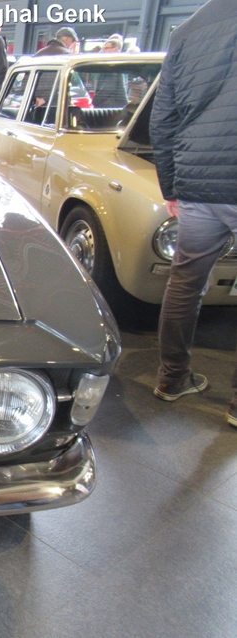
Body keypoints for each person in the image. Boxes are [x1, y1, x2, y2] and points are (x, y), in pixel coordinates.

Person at [149, 0, 237, 426]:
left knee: (185, 284)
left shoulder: (186, 31)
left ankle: (172, 378)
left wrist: (172, 186)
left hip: (197, 179)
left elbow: (162, 119)